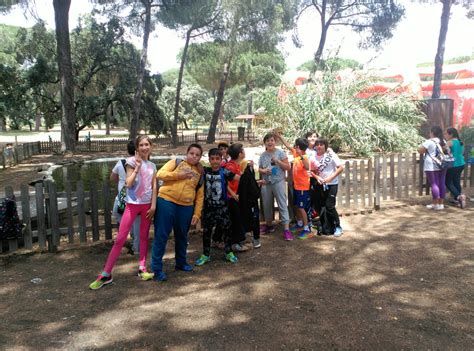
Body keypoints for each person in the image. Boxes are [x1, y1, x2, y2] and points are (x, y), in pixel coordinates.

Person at [89, 135, 157, 289]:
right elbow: (128, 183)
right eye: (141, 145)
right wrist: (137, 168)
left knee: (144, 237)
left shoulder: (152, 165)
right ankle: (106, 274)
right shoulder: (131, 162)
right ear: (137, 147)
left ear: (150, 146)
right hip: (132, 205)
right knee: (120, 239)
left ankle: (142, 268)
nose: (145, 147)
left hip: (147, 206)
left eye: (147, 144)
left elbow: (154, 187)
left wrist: (153, 205)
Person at [151, 143, 204, 281]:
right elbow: (159, 174)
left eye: (197, 155)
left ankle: (181, 263)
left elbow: (200, 196)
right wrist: (178, 175)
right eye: (192, 153)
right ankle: (157, 269)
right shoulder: (176, 162)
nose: (194, 156)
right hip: (166, 201)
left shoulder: (200, 173)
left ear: (200, 157)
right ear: (187, 153)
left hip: (186, 206)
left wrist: (197, 214)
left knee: (182, 236)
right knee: (161, 235)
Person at [195, 148, 238, 266]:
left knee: (227, 230)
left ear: (221, 160)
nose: (214, 161)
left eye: (217, 159)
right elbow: (195, 165)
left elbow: (240, 178)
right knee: (207, 231)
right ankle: (206, 254)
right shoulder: (205, 171)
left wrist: (249, 172)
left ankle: (228, 252)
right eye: (212, 159)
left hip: (222, 207)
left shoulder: (225, 172)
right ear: (208, 159)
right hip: (208, 207)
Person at [258, 133, 292, 240]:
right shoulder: (263, 155)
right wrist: (264, 170)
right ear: (265, 143)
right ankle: (269, 225)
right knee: (267, 205)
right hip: (266, 183)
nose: (270, 142)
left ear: (275, 142)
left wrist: (277, 161)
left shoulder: (280, 153)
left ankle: (286, 229)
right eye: (267, 141)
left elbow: (288, 167)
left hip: (278, 182)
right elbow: (259, 168)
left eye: (272, 140)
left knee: (282, 204)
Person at [278, 134, 313, 240]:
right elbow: (288, 145)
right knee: (297, 206)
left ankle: (307, 229)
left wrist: (301, 156)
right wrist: (280, 137)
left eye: (296, 146)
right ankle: (300, 223)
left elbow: (307, 167)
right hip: (297, 186)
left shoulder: (305, 157)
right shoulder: (296, 155)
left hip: (303, 187)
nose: (294, 147)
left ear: (300, 147)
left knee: (302, 208)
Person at [110, 140, 140, 254]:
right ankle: (136, 247)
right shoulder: (143, 163)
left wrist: (121, 181)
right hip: (138, 198)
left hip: (124, 197)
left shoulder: (122, 162)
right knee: (137, 223)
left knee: (118, 214)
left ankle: (128, 237)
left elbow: (112, 177)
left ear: (128, 150)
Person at [311, 137, 344, 236]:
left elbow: (340, 168)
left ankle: (338, 226)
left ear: (325, 146)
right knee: (321, 206)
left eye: (321, 144)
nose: (319, 146)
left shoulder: (331, 155)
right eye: (317, 145)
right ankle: (324, 227)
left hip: (332, 184)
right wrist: (317, 178)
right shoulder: (313, 157)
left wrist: (330, 178)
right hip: (320, 185)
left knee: (330, 206)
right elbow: (312, 171)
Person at [224, 143, 249, 252]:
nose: (244, 152)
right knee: (235, 220)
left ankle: (236, 241)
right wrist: (232, 194)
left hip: (235, 197)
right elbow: (224, 182)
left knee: (237, 219)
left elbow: (241, 180)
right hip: (230, 198)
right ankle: (235, 244)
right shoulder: (230, 166)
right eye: (243, 150)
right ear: (240, 154)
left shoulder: (237, 165)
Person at [418, 126, 448, 210]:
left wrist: (420, 146)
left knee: (434, 184)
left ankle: (435, 204)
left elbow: (420, 150)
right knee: (441, 183)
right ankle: (440, 204)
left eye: (430, 132)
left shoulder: (429, 141)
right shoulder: (443, 141)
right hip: (442, 164)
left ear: (432, 133)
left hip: (431, 165)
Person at [238, 159, 265, 248]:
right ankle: (251, 237)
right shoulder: (241, 169)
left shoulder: (245, 169)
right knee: (250, 218)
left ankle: (254, 237)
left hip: (246, 199)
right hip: (247, 199)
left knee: (252, 218)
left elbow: (250, 183)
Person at [445, 127, 466, 208]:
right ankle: (457, 200)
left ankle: (459, 197)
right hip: (461, 164)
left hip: (453, 164)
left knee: (448, 182)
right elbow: (462, 153)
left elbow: (445, 151)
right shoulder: (461, 142)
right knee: (456, 181)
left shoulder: (450, 142)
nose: (445, 135)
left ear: (451, 134)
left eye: (446, 134)